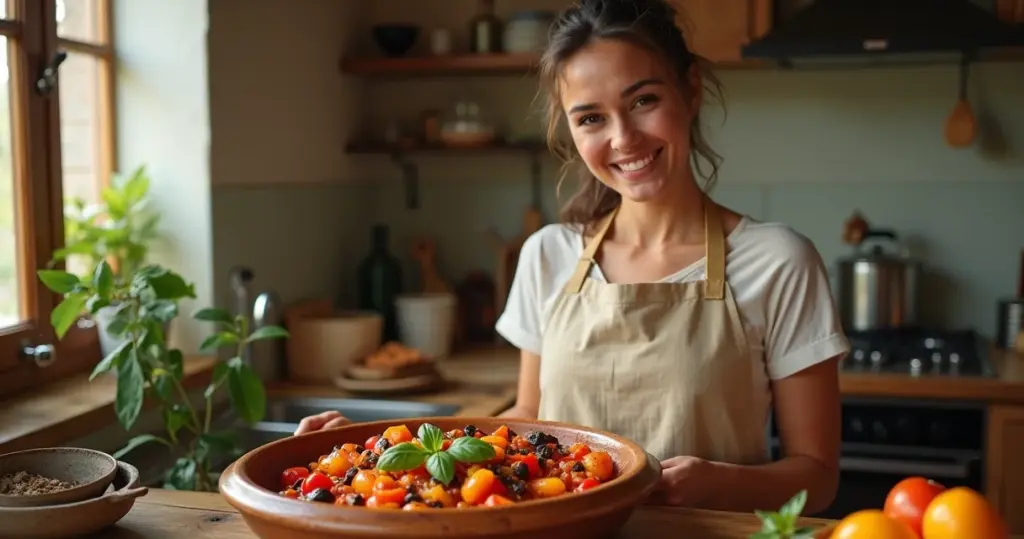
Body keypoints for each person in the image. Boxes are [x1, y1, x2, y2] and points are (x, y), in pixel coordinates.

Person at [295, 0, 848, 515]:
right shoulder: (549, 254)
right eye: (591, 118)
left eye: (643, 101)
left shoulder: (778, 261)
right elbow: (525, 420)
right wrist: (374, 452)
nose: (623, 138)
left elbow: (818, 476)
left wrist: (718, 483)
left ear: (691, 90)